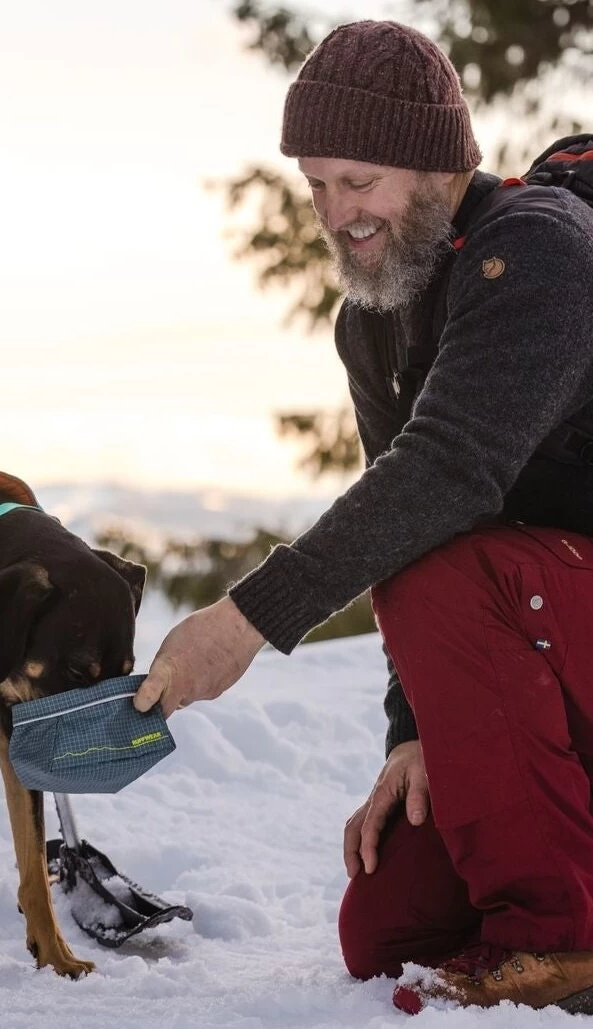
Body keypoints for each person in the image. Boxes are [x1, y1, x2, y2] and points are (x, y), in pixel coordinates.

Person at [132, 18, 593, 1015]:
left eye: (361, 180)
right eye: (316, 185)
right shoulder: (371, 323)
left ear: (437, 166)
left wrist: (246, 620)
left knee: (433, 563)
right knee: (387, 930)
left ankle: (562, 938)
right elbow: (405, 525)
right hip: (545, 653)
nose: (338, 214)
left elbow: (448, 474)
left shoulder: (544, 256)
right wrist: (413, 733)